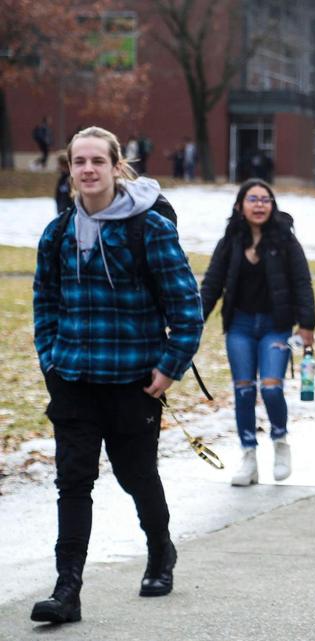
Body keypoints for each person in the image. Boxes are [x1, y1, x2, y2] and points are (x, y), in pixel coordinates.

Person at [31, 126, 204, 623]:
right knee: (73, 482)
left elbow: (186, 305)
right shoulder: (58, 232)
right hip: (74, 379)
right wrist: (50, 357)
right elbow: (45, 301)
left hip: (133, 381)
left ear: (116, 167)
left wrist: (169, 368)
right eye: (78, 161)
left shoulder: (146, 227)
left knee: (136, 475)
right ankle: (68, 589)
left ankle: (160, 550)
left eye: (97, 162)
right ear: (69, 169)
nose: (87, 170)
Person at [199, 179, 315, 485]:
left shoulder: (285, 241)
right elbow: (212, 283)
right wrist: (193, 322)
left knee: (271, 387)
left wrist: (307, 326)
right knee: (243, 390)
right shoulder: (230, 241)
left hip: (275, 327)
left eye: (266, 199)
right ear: (240, 206)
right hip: (239, 326)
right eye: (253, 199)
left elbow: (302, 283)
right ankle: (248, 456)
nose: (260, 205)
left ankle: (280, 443)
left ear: (273, 205)